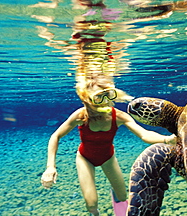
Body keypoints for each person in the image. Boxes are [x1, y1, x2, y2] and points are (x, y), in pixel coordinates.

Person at [41, 77, 176, 215]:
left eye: (108, 95)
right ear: (87, 100)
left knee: (123, 196)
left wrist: (166, 139)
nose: (105, 101)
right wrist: (50, 167)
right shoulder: (81, 116)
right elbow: (55, 136)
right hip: (85, 158)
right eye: (99, 97)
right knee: (91, 204)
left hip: (108, 158)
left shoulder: (118, 116)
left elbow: (144, 134)